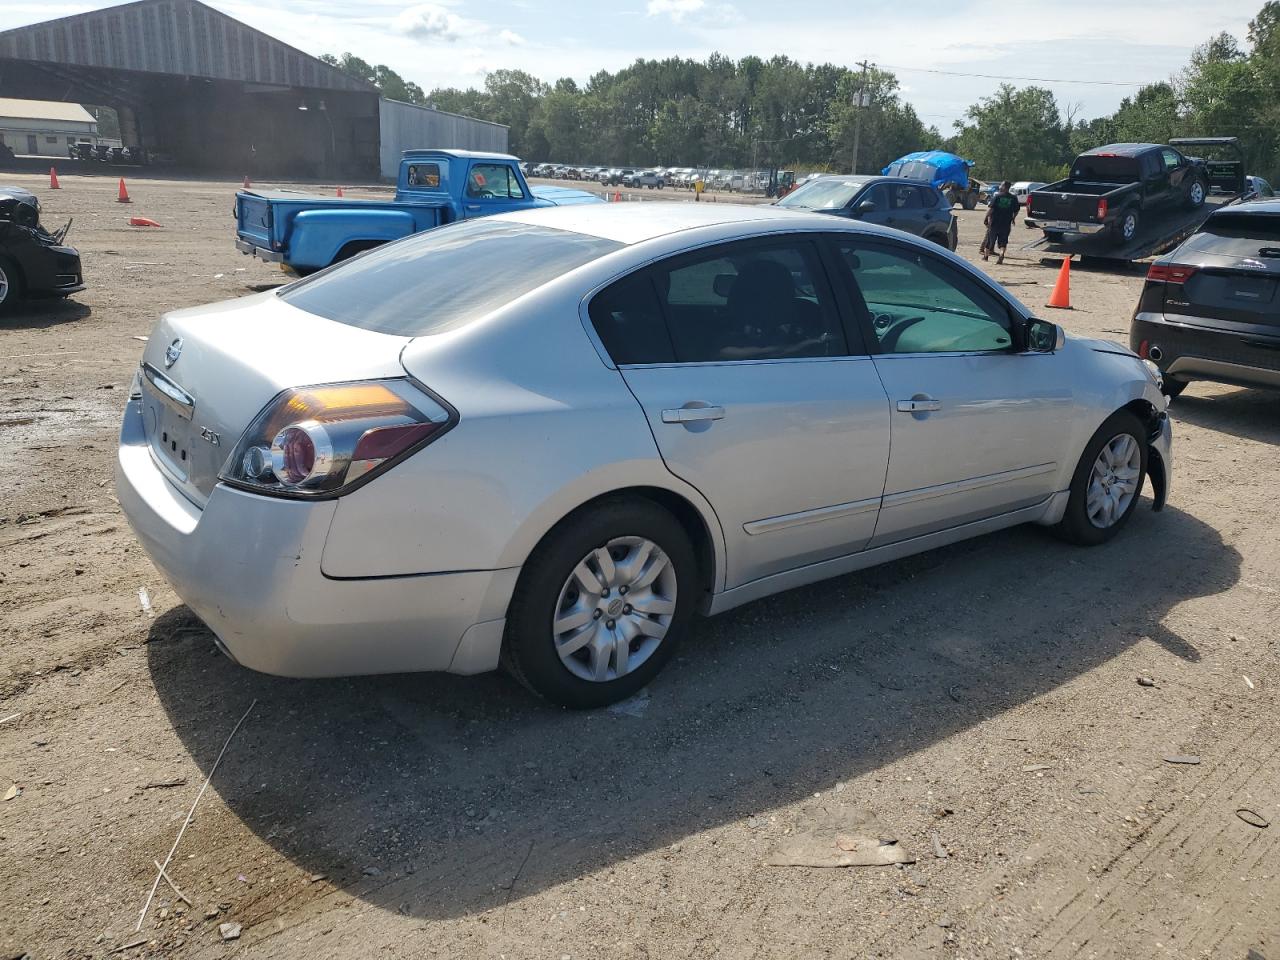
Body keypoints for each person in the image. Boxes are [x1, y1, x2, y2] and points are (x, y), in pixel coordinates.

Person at [982, 180, 1019, 264]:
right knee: (1003, 241)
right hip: (1006, 223)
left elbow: (991, 209)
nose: (1000, 187)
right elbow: (1016, 210)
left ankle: (986, 256)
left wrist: (986, 218)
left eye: (1001, 185)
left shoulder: (997, 196)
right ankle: (1001, 255)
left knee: (990, 240)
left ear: (1004, 187)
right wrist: (1013, 218)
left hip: (994, 222)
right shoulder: (1013, 198)